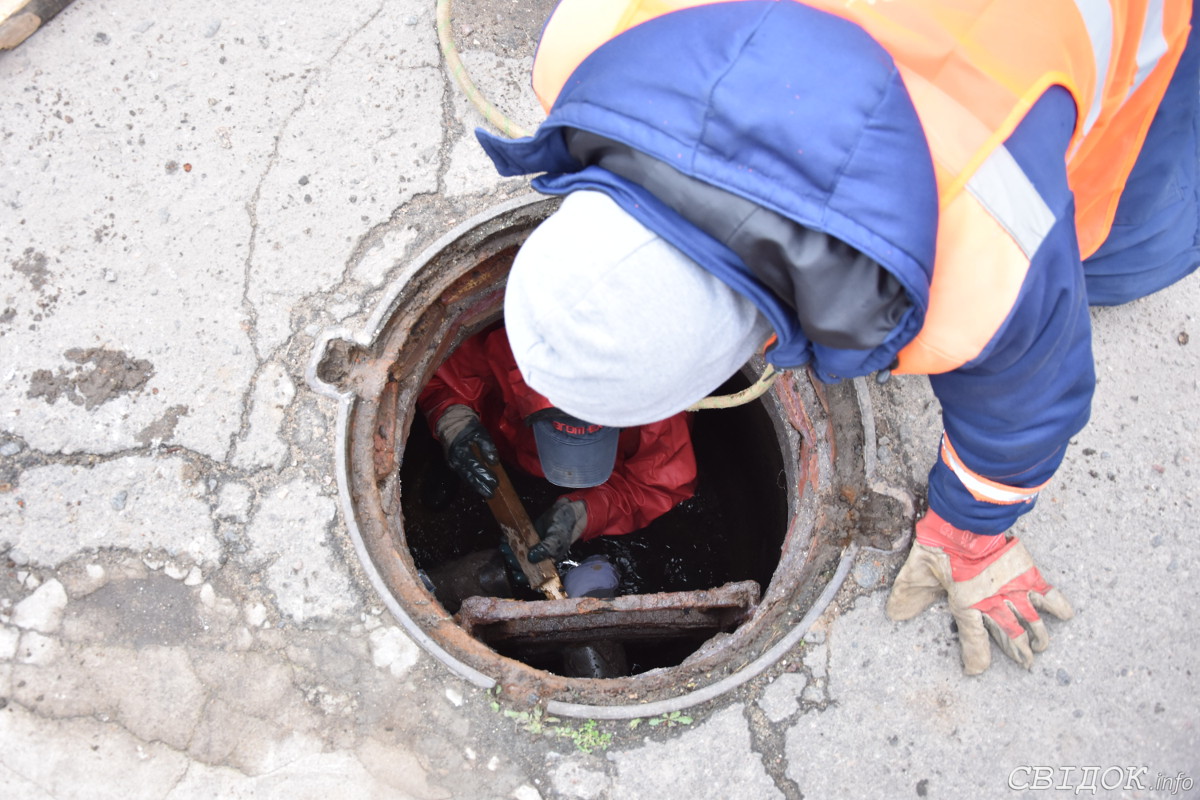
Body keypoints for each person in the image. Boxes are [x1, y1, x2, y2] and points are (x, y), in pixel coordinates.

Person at [471, 0, 1200, 674]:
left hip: (1104, 36)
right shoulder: (586, 47)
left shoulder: (989, 257)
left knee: (1122, 249)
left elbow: (1028, 406)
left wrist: (968, 536)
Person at [417, 325, 698, 563]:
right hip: (497, 438)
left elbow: (656, 485)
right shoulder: (508, 342)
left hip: (600, 472)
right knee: (459, 453)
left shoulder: (660, 405)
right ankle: (447, 464)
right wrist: (455, 425)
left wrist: (581, 514)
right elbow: (439, 377)